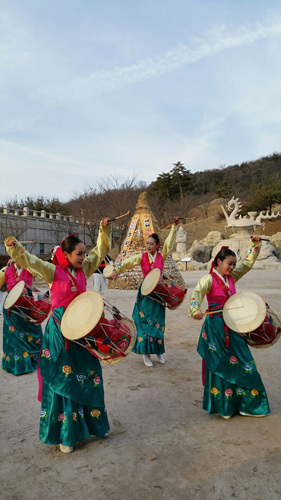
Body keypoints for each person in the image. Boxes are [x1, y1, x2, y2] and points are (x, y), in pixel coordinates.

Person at [5, 218, 112, 453]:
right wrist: (15, 247)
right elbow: (30, 261)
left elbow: (101, 250)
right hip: (59, 332)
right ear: (66, 254)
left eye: (84, 253)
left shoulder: (85, 268)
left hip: (82, 329)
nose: (84, 257)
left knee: (88, 375)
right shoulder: (52, 271)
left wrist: (104, 229)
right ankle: (66, 434)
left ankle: (94, 424)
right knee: (62, 379)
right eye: (79, 253)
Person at [188, 236, 270, 419]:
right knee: (220, 364)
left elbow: (247, 264)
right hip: (215, 328)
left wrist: (255, 246)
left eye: (233, 264)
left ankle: (246, 404)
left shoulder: (232, 277)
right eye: (229, 264)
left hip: (233, 326)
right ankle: (224, 407)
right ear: (218, 261)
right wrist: (195, 310)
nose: (232, 267)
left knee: (245, 361)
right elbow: (196, 294)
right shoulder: (208, 279)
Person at [110, 217, 182, 367]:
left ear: (157, 245)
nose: (148, 246)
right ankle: (146, 354)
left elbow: (169, 242)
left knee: (158, 323)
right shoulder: (141, 257)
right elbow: (127, 263)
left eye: (151, 244)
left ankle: (158, 351)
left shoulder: (162, 256)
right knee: (144, 323)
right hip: (146, 295)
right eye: (147, 244)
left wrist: (174, 227)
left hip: (159, 294)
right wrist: (116, 270)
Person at [0, 259, 43, 375]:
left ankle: (33, 360)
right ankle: (17, 365)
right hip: (11, 307)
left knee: (33, 331)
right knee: (15, 336)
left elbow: (42, 267)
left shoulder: (30, 268)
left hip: (27, 305)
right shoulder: (6, 270)